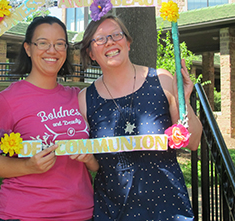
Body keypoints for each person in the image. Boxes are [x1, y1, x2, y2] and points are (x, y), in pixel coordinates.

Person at [78, 14, 203, 220]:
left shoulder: (161, 80)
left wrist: (184, 101)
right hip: (112, 211)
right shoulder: (85, 99)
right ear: (91, 52)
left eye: (116, 35)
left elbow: (194, 141)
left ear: (127, 42)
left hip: (168, 209)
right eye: (100, 39)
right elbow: (95, 164)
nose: (109, 42)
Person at [0, 16, 98, 221]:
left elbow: (95, 165)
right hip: (24, 213)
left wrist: (90, 158)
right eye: (42, 43)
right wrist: (26, 167)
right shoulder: (6, 101)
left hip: (80, 212)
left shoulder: (78, 97)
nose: (52, 50)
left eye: (60, 44)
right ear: (28, 48)